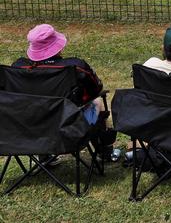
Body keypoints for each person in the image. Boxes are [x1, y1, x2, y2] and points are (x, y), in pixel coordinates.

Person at [12, 24, 114, 162]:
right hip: (70, 127)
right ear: (58, 45)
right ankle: (105, 152)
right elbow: (95, 89)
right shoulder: (75, 66)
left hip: (30, 129)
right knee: (96, 102)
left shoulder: (18, 68)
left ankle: (44, 155)